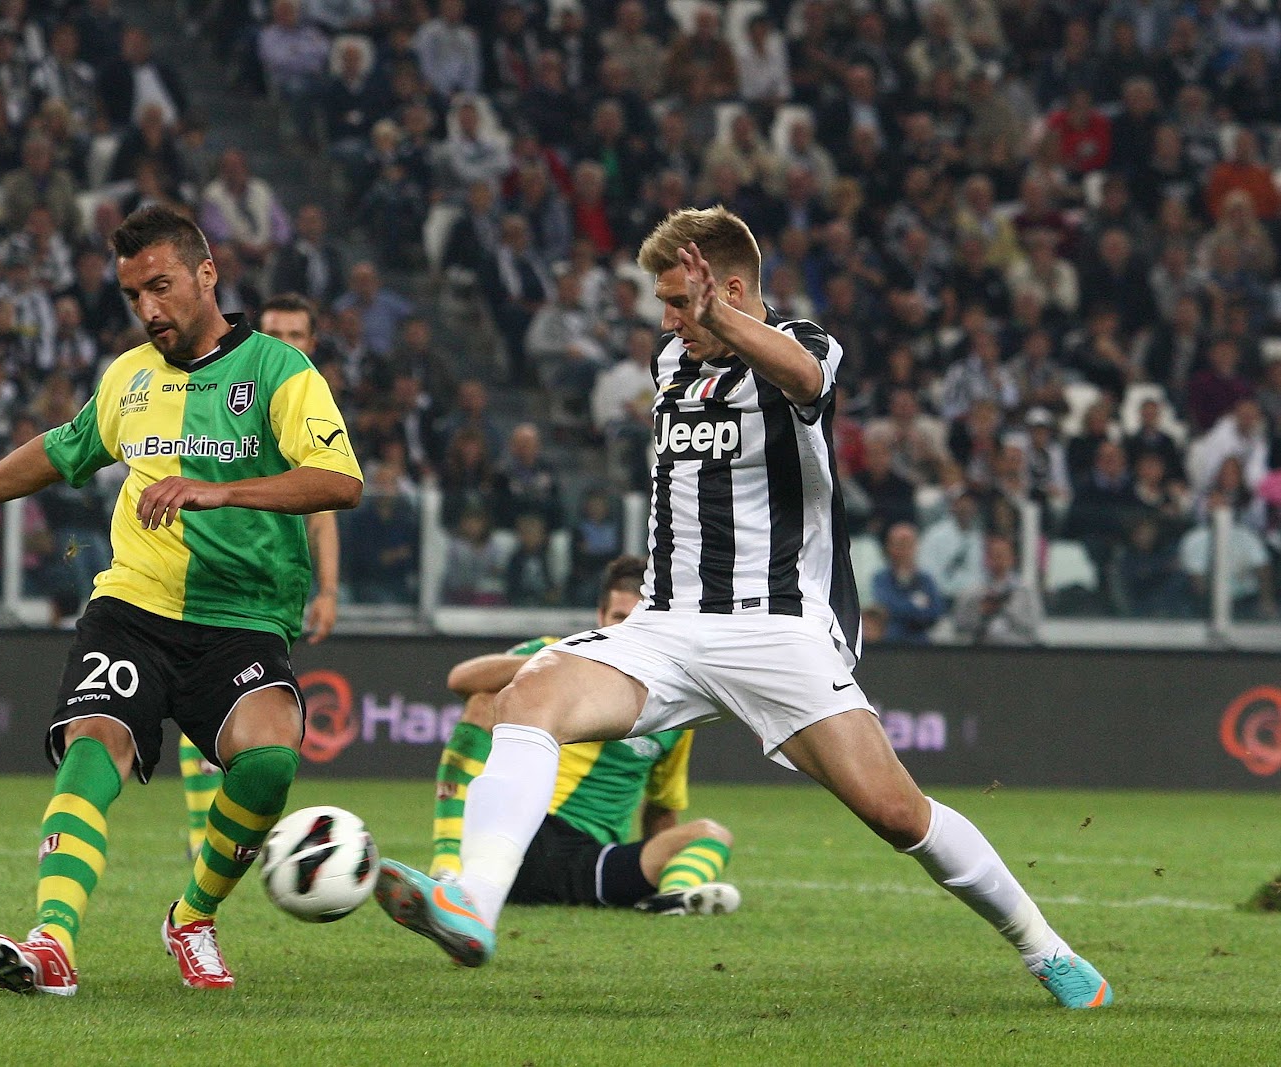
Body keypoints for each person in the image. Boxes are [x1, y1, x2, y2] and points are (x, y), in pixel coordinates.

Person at [374, 206, 1112, 1010]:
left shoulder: (807, 345)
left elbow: (805, 380)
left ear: (726, 290)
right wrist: (698, 323)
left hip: (776, 627)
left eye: (677, 302)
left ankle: (1048, 950)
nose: (666, 321)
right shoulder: (671, 358)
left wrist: (719, 319)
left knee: (899, 814)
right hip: (664, 624)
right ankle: (473, 905)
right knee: (528, 694)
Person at [0, 206, 363, 996]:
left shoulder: (280, 371)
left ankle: (192, 917)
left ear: (206, 274)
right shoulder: (128, 377)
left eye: (161, 286)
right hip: (135, 605)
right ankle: (53, 940)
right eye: (134, 294)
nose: (148, 308)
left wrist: (217, 490)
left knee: (270, 761)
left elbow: (340, 481)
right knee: (96, 736)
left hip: (242, 617)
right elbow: (62, 450)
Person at [430, 555, 739, 915]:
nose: (627, 630)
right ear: (600, 617)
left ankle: (673, 897)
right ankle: (449, 867)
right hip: (521, 834)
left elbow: (662, 807)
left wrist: (654, 864)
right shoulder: (556, 658)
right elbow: (461, 680)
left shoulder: (673, 705)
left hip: (592, 862)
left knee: (712, 834)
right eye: (619, 618)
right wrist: (555, 661)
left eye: (639, 620)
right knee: (485, 702)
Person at [178, 293, 343, 856]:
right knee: (203, 694)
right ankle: (202, 831)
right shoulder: (220, 388)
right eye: (274, 333)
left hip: (271, 585)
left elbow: (323, 508)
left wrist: (328, 589)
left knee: (242, 710)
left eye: (296, 335)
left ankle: (214, 826)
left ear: (312, 343)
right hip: (204, 567)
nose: (284, 344)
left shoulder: (307, 407)